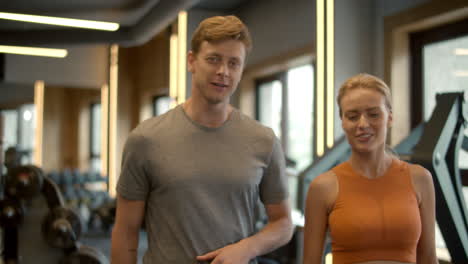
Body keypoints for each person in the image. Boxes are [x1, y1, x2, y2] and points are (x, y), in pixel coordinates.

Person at [111, 15, 293, 264]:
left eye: (233, 63)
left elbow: (283, 222)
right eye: (213, 59)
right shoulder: (146, 139)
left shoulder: (264, 140)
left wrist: (247, 248)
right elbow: (125, 231)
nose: (223, 72)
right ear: (191, 61)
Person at [303, 73, 438, 264]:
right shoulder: (323, 187)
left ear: (389, 118)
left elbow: (429, 258)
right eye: (352, 116)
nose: (363, 124)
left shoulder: (420, 178)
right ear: (342, 122)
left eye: (373, 114)